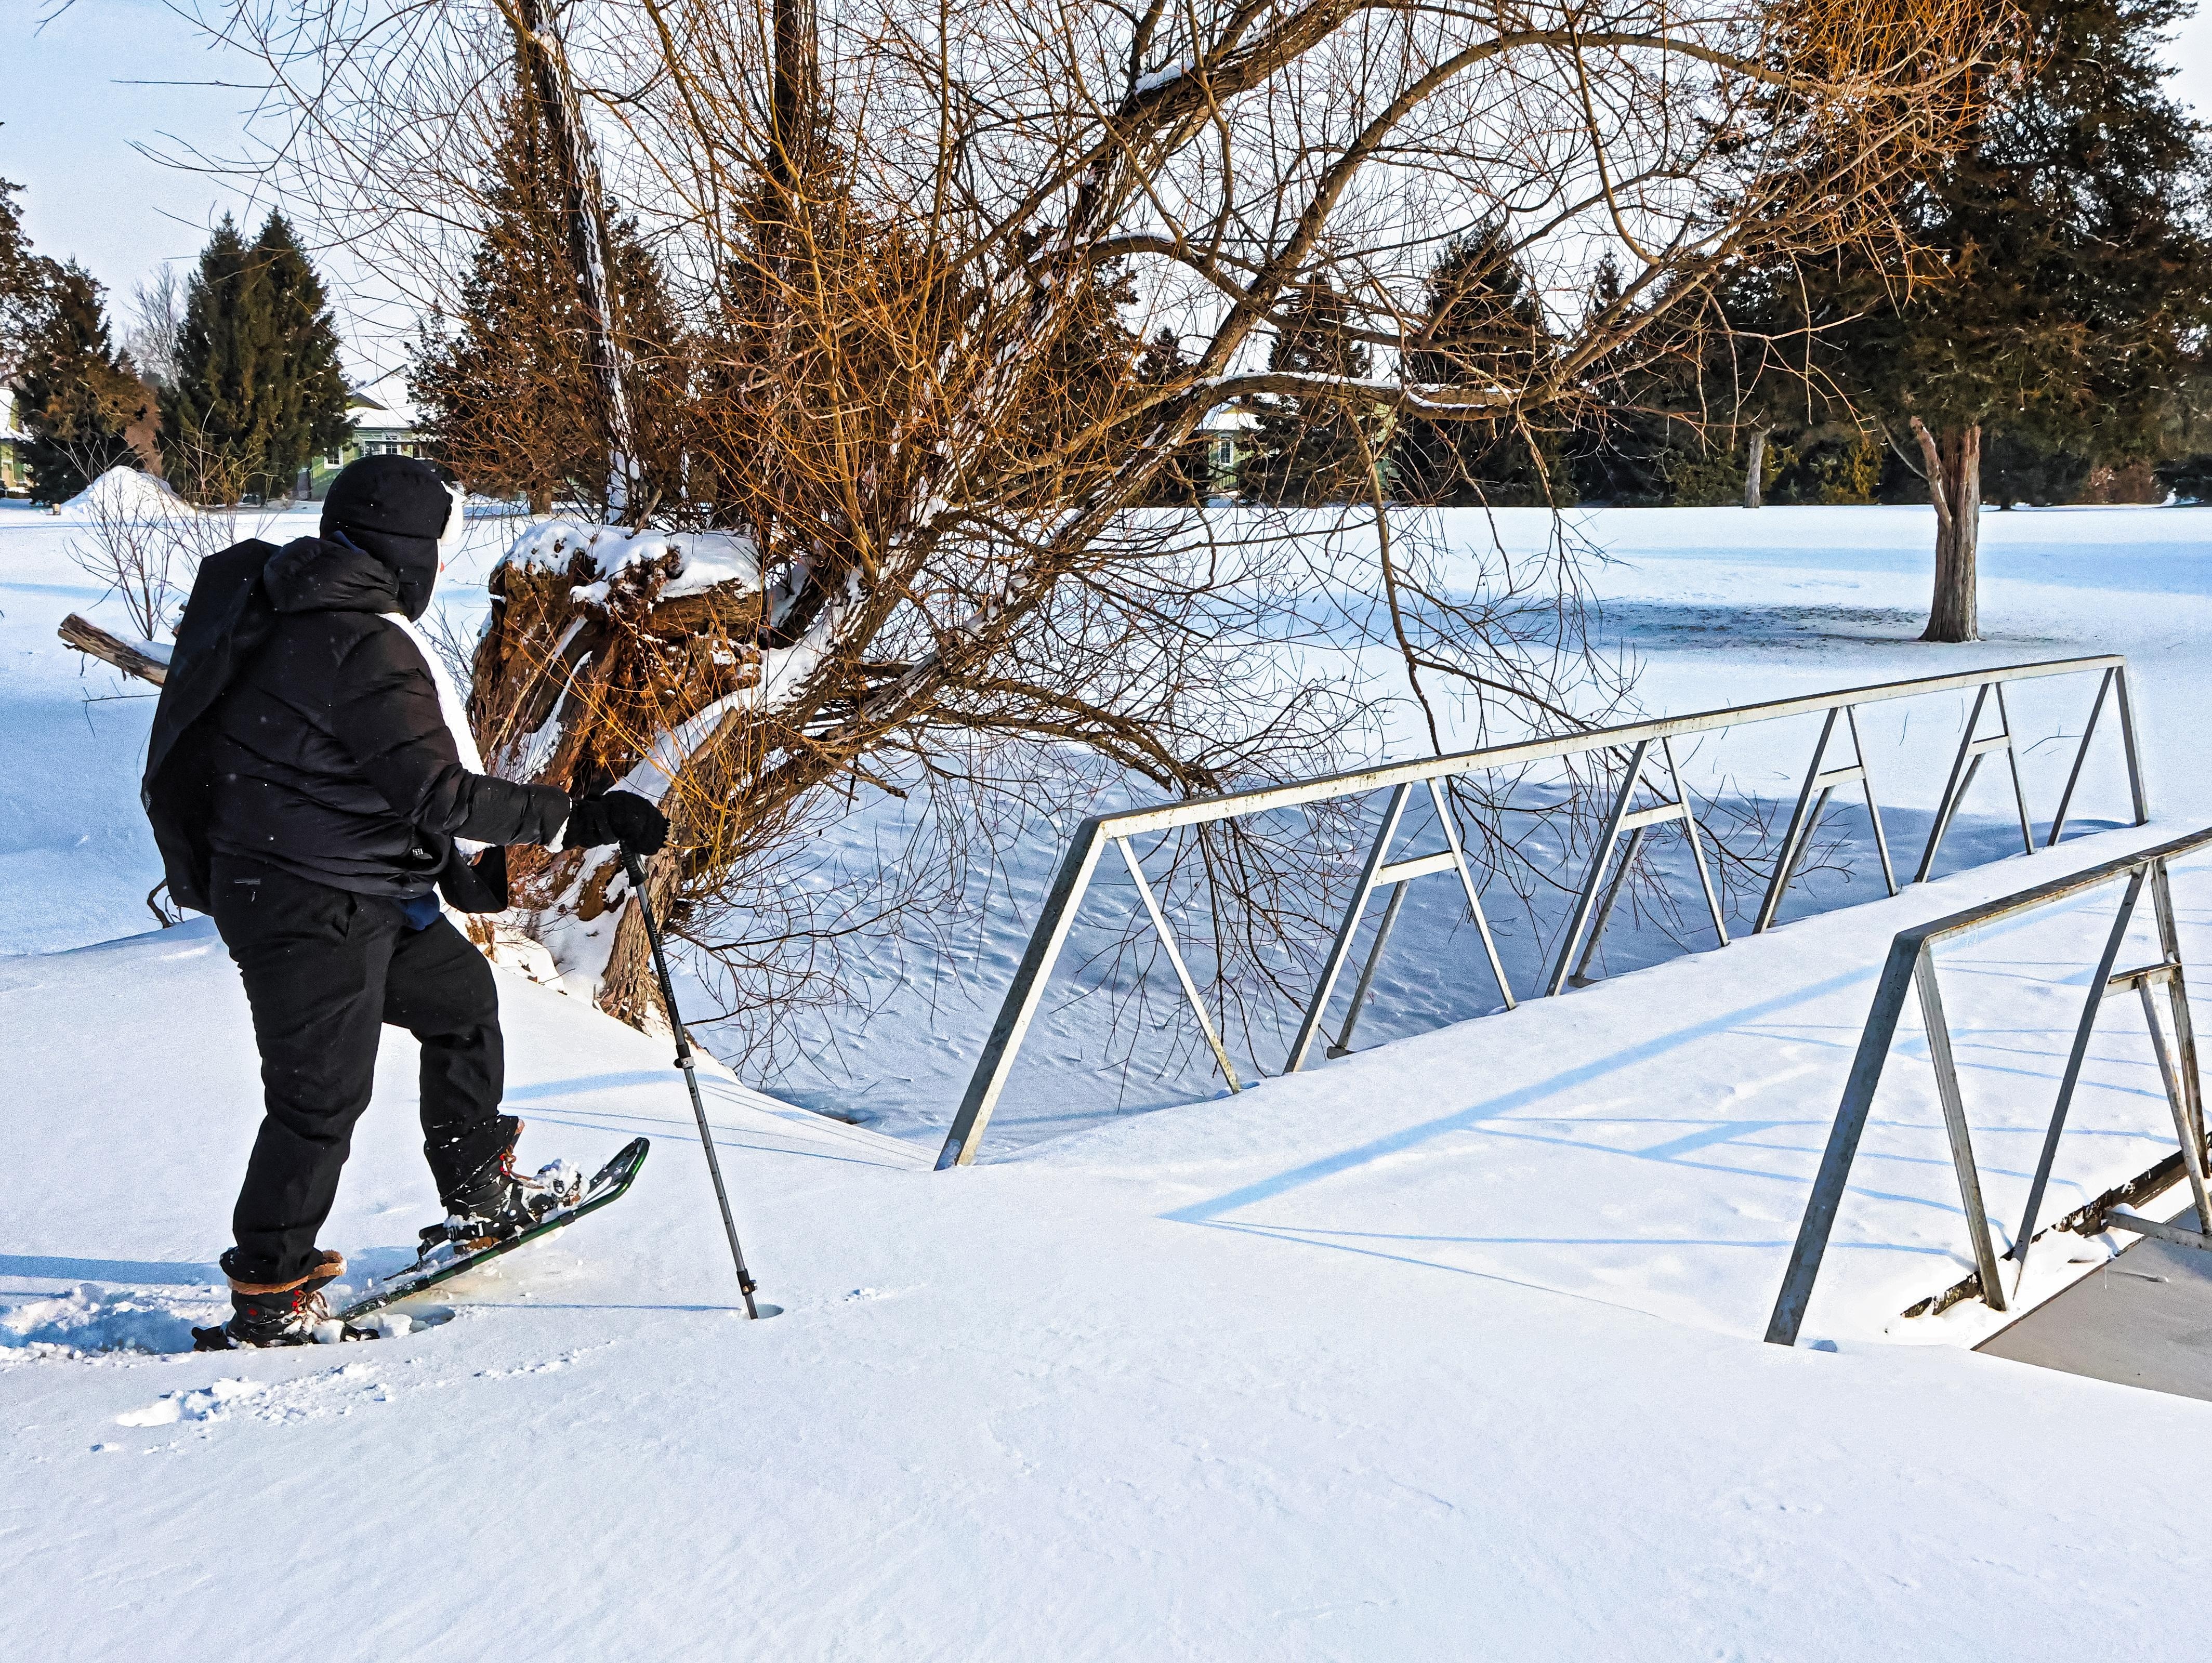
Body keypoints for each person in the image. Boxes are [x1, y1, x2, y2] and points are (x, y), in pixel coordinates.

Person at [143, 455, 669, 1348]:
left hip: (358, 889)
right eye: (436, 546)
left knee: (461, 1003)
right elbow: (438, 793)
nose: (439, 564)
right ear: (404, 549)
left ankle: (479, 1191)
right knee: (319, 1099)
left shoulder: (294, 608)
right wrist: (578, 819)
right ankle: (272, 1288)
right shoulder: (358, 642)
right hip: (304, 904)